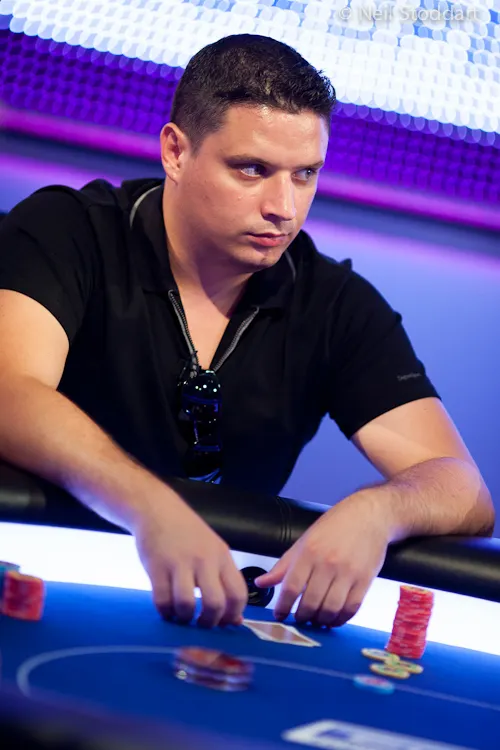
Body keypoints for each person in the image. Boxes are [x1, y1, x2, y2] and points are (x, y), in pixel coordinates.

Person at [0, 34, 494, 630]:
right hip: (34, 572)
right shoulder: (69, 229)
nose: (283, 207)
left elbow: (463, 489)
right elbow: (10, 393)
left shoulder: (336, 303)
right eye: (252, 170)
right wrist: (151, 505)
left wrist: (377, 512)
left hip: (213, 611)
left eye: (305, 174)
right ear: (176, 151)